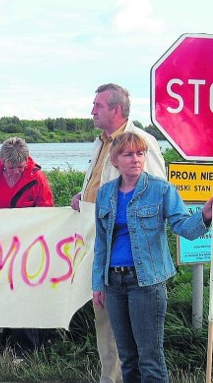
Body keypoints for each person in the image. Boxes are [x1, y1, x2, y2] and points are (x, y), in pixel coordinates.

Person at [92, 132, 213, 383]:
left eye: (140, 153)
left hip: (146, 284)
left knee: (150, 356)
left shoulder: (161, 190)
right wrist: (97, 284)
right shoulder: (105, 194)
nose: (135, 159)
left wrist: (205, 215)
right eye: (128, 154)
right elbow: (101, 244)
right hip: (113, 283)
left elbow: (184, 228)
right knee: (127, 356)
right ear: (115, 161)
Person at [70, 83, 166, 383]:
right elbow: (109, 189)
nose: (92, 111)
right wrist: (83, 194)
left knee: (140, 346)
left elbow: (155, 195)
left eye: (97, 105)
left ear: (116, 109)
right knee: (108, 331)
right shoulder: (101, 143)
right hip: (102, 254)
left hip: (134, 263)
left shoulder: (139, 143)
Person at [0, 136, 53, 357]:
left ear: (27, 162)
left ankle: (27, 347)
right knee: (0, 292)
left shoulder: (37, 178)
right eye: (10, 168)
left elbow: (47, 212)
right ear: (1, 162)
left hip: (27, 246)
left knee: (24, 294)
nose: (15, 172)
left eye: (20, 168)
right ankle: (4, 341)